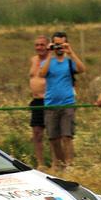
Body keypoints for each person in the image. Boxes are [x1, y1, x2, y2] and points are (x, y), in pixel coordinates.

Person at [37, 31, 86, 171]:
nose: (59, 47)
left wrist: (70, 52)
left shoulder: (69, 61)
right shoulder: (48, 61)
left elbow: (82, 69)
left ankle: (70, 164)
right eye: (56, 44)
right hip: (51, 103)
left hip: (68, 103)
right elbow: (42, 73)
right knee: (53, 138)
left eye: (61, 44)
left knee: (67, 136)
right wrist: (50, 53)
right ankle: (60, 163)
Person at [27, 36, 49, 168]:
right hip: (36, 101)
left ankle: (57, 162)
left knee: (53, 134)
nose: (39, 48)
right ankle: (41, 163)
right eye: (37, 45)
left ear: (48, 46)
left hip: (49, 100)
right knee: (36, 132)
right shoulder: (33, 59)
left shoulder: (51, 60)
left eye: (42, 45)